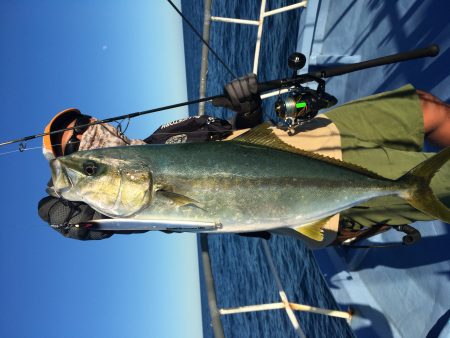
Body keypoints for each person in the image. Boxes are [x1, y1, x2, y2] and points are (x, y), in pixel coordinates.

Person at [38, 74, 450, 247]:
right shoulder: (121, 211)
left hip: (307, 141)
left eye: (81, 122)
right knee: (442, 180)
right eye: (73, 146)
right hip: (309, 202)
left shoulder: (167, 134)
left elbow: (241, 138)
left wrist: (247, 108)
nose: (83, 130)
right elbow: (87, 221)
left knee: (424, 106)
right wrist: (64, 207)